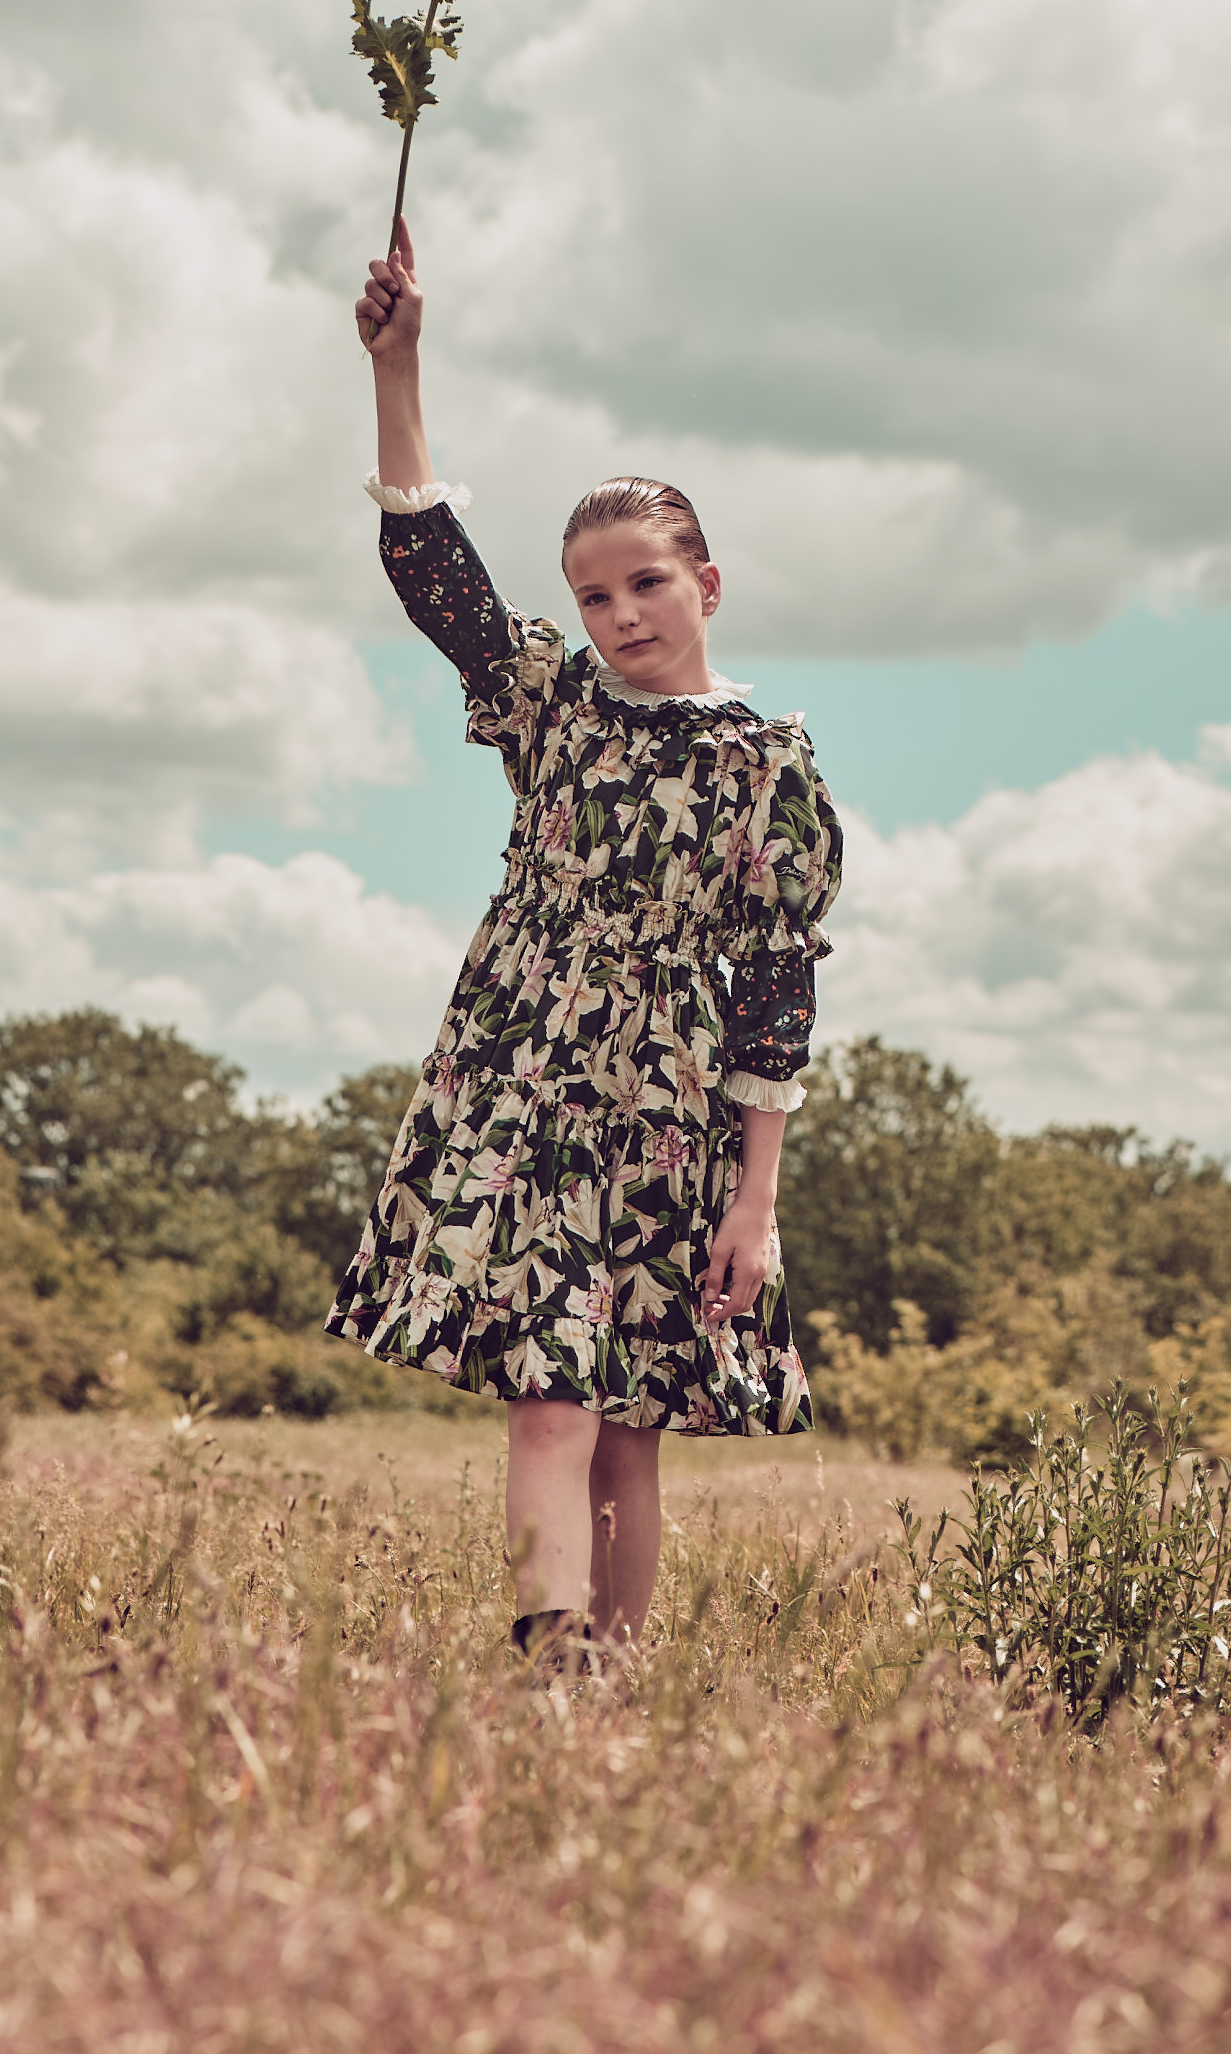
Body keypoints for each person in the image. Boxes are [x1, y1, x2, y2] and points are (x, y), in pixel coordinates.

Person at [325, 221, 844, 1664]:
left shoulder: (767, 766)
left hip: (671, 1106)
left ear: (707, 585)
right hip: (525, 1083)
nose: (619, 616)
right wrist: (397, 370)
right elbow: (433, 572)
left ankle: (610, 1691)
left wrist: (757, 1206)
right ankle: (550, 1673)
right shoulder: (553, 707)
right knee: (548, 1404)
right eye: (595, 595)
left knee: (626, 1430)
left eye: (647, 585)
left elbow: (777, 997)